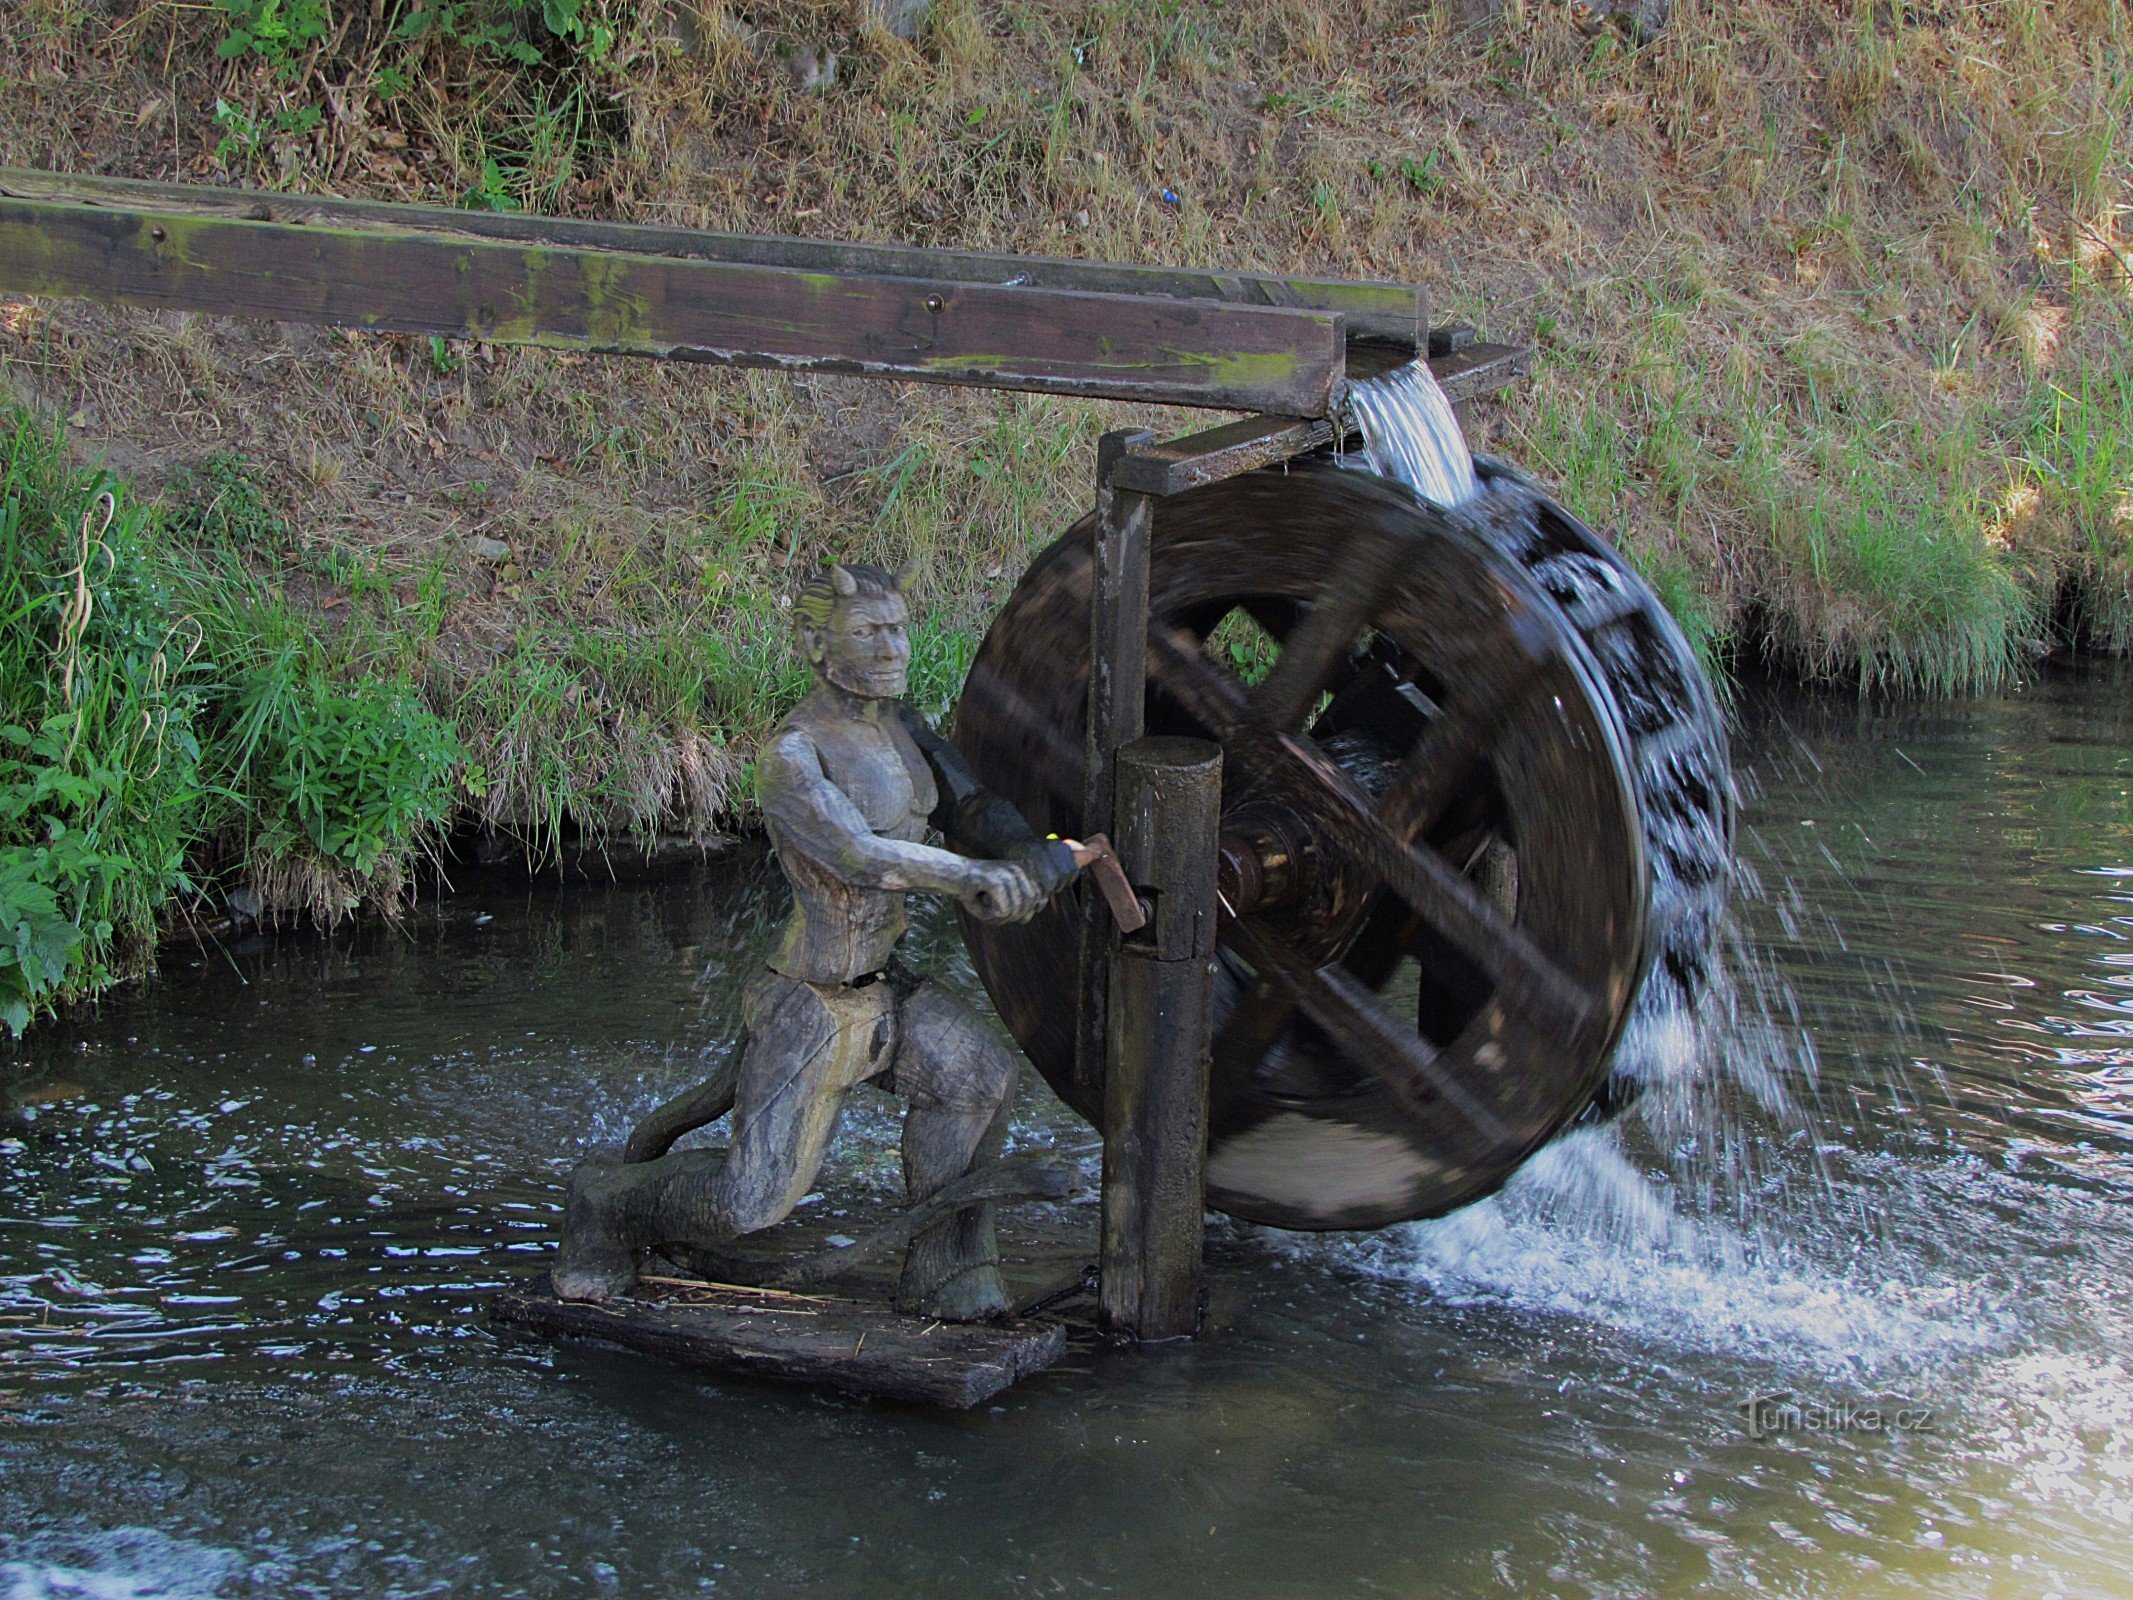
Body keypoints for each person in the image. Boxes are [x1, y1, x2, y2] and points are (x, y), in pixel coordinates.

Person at [553, 561, 1078, 1320]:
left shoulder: (902, 728)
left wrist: (1028, 853)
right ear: (811, 641)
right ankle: (603, 1204)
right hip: (810, 1001)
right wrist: (972, 878)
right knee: (750, 1201)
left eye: (897, 627)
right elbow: (861, 856)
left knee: (979, 1081)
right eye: (867, 632)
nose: (893, 647)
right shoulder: (791, 758)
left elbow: (973, 803)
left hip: (884, 988)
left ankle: (947, 1272)